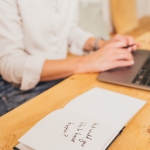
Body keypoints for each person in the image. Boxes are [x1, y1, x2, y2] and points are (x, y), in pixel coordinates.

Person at [0, 0, 138, 116]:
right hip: (18, 89)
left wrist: (102, 44)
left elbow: (69, 30)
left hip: (61, 76)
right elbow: (10, 64)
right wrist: (87, 63)